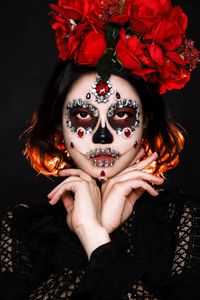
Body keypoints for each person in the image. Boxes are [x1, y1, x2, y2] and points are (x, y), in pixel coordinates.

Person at [0, 0, 200, 299]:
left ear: (146, 123)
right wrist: (89, 227)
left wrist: (95, 238)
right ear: (59, 125)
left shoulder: (183, 220)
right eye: (83, 115)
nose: (102, 136)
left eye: (121, 115)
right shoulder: (19, 227)